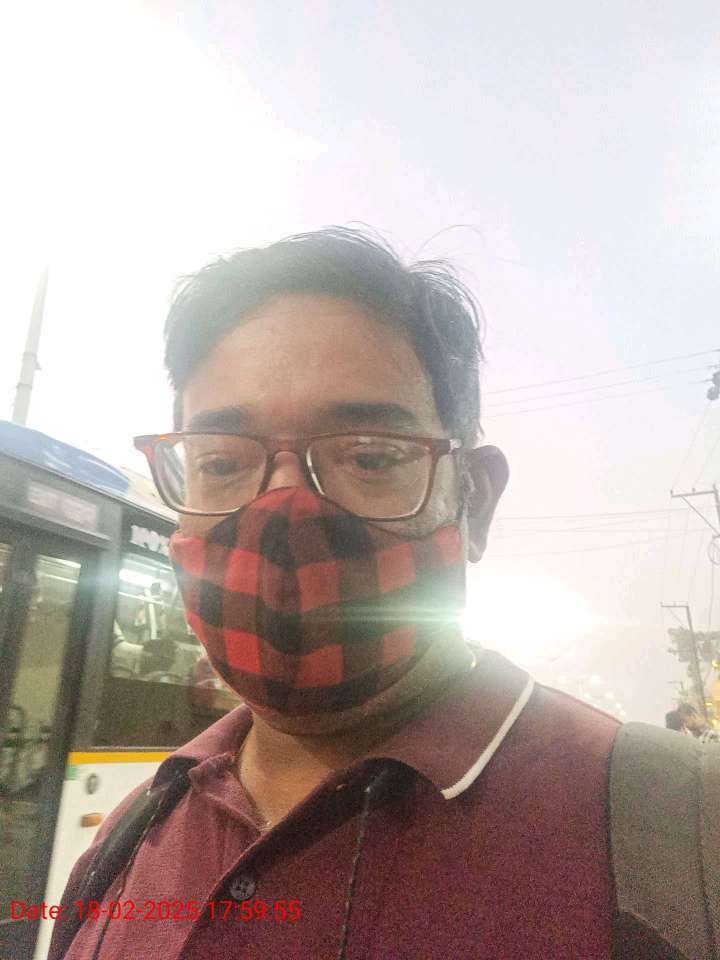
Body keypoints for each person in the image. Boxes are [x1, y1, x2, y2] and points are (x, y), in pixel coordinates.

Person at [49, 228, 683, 959]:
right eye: (221, 462)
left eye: (371, 458)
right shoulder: (129, 837)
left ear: (474, 502)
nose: (284, 514)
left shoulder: (670, 840)